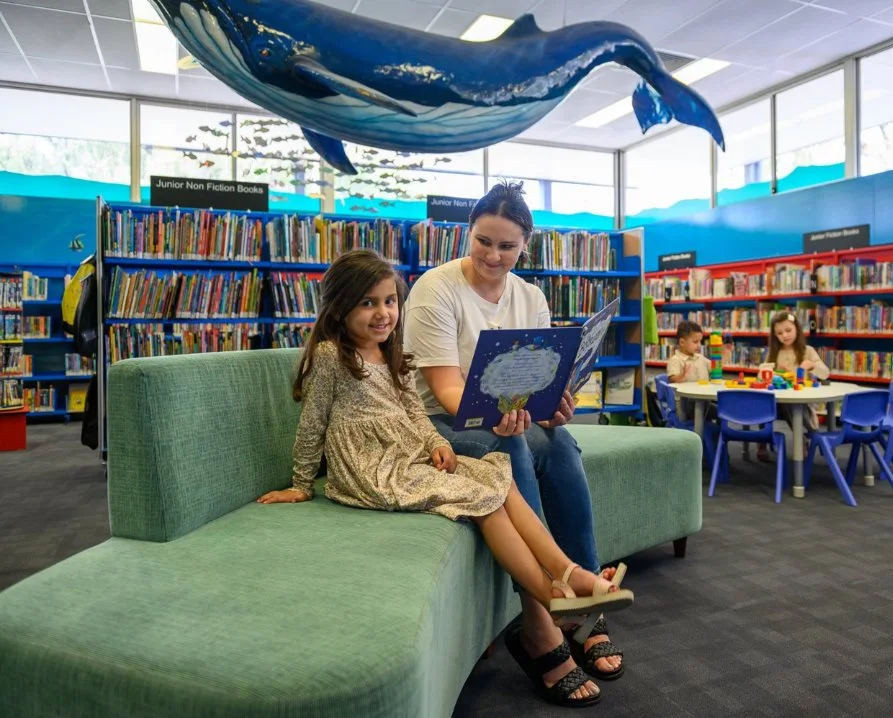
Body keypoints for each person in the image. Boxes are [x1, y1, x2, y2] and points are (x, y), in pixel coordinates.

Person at [256, 249, 634, 707]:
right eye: (368, 303)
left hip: (407, 452)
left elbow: (413, 409)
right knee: (485, 499)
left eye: (390, 301)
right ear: (338, 308)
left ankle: (570, 574)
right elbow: (312, 423)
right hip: (371, 467)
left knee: (499, 477)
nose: (384, 313)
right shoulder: (333, 356)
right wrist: (300, 483)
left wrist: (434, 441)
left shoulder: (392, 351)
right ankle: (548, 597)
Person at [402, 181, 628, 706]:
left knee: (562, 443)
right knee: (516, 449)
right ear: (468, 233)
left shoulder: (531, 296)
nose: (493, 255)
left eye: (507, 246)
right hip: (441, 421)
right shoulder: (435, 290)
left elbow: (539, 380)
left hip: (506, 416)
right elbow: (444, 388)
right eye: (483, 241)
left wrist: (554, 405)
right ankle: (539, 623)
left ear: (526, 244)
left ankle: (587, 604)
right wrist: (508, 414)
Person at [757, 311, 830, 461]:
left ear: (797, 328)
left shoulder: (807, 351)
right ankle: (762, 440)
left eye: (788, 330)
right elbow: (760, 375)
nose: (785, 335)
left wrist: (811, 366)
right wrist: (772, 372)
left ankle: (802, 436)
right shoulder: (773, 352)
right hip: (776, 402)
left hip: (800, 402)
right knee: (761, 401)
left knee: (790, 404)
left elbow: (826, 374)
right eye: (779, 333)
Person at [665, 320, 712, 421]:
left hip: (703, 400)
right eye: (695, 342)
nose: (699, 345)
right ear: (682, 342)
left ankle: (716, 434)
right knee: (714, 413)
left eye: (700, 341)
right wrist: (683, 376)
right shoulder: (676, 360)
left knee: (721, 412)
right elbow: (672, 380)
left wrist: (724, 354)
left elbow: (716, 368)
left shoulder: (700, 358)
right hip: (685, 405)